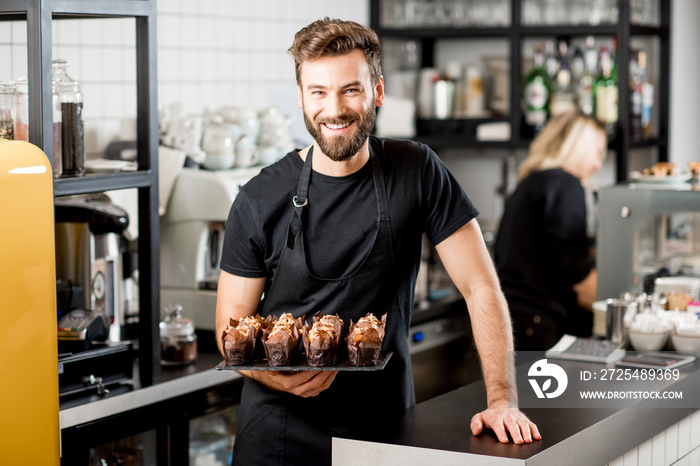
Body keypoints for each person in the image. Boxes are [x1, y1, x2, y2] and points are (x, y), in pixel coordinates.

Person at [215, 17, 540, 466]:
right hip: (278, 438)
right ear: (301, 98)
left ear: (377, 92)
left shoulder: (417, 170)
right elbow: (229, 331)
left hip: (385, 435)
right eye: (318, 92)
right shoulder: (258, 199)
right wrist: (278, 379)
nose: (334, 109)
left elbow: (481, 288)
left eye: (350, 89)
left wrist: (502, 399)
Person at [494, 111, 607, 352]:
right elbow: (576, 272)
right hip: (542, 324)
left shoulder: (534, 182)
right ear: (576, 146)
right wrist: (621, 310)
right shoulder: (566, 184)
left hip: (518, 321)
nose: (598, 165)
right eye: (596, 153)